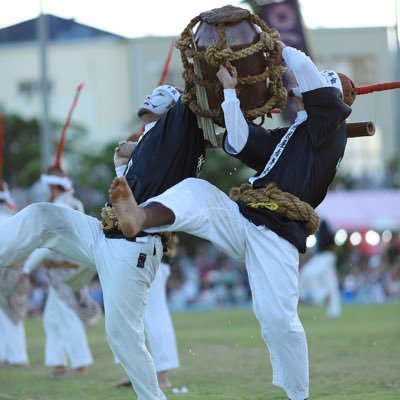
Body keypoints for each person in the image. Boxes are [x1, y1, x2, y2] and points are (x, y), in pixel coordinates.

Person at [108, 42, 352, 400]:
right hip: (243, 219)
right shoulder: (292, 135)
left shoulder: (330, 126)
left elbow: (301, 64)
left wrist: (271, 43)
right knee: (196, 192)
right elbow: (237, 140)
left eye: (304, 96)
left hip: (278, 234)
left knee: (278, 321)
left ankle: (298, 395)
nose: (297, 100)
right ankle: (140, 216)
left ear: (324, 98)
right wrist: (229, 92)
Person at [0, 84, 205, 400]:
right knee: (41, 215)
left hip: (134, 247)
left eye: (157, 106)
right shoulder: (149, 143)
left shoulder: (178, 143)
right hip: (103, 235)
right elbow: (131, 178)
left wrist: (134, 145)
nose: (149, 102)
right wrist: (123, 158)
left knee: (122, 337)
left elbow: (180, 122)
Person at [22, 166, 101, 377]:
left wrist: (27, 266)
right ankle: (58, 364)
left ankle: (79, 363)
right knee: (51, 317)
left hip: (61, 268)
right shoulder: (76, 203)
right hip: (71, 265)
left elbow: (48, 243)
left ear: (52, 186)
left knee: (66, 316)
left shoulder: (57, 206)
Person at [115, 235, 181, 390]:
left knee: (155, 315)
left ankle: (162, 376)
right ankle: (135, 373)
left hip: (148, 252)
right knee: (128, 316)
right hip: (130, 255)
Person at [0, 180, 29, 367]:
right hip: (14, 269)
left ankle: (16, 357)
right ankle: (7, 355)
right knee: (7, 314)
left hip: (9, 270)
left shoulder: (6, 217)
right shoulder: (13, 216)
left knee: (10, 313)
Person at [299, 219, 342, 319]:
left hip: (326, 256)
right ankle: (333, 311)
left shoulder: (322, 223)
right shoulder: (319, 224)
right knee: (331, 283)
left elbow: (328, 241)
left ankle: (321, 296)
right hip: (324, 256)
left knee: (307, 273)